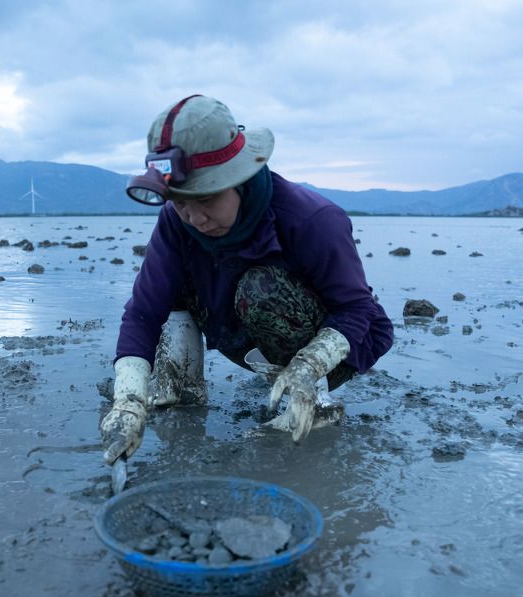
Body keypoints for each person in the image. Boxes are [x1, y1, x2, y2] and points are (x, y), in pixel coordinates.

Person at [101, 94, 394, 467]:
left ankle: (315, 403)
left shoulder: (312, 220)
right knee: (173, 283)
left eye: (206, 200)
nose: (195, 218)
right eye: (180, 202)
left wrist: (307, 368)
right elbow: (144, 311)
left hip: (336, 342)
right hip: (241, 323)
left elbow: (357, 309)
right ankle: (181, 388)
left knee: (262, 290)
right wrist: (128, 401)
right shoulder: (179, 223)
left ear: (239, 179)